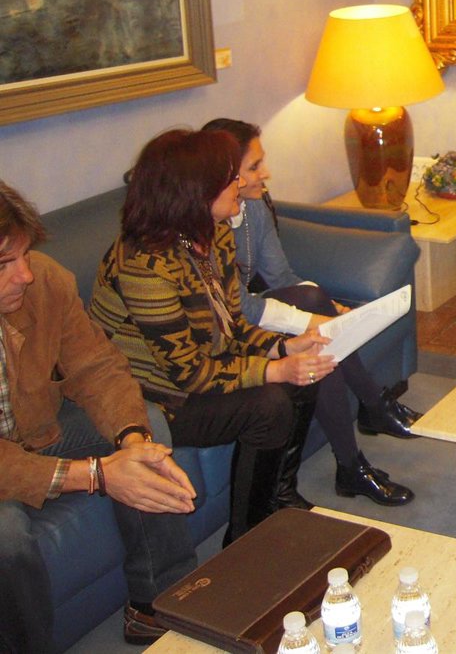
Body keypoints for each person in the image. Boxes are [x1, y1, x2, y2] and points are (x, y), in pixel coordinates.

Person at [89, 130, 410, 548]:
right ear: (196, 192)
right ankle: (245, 536)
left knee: (306, 371)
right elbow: (188, 373)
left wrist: (285, 347)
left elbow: (234, 323)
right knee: (269, 403)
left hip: (199, 371)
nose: (240, 184)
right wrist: (276, 368)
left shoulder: (213, 236)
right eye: (231, 179)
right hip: (154, 397)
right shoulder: (143, 266)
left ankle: (279, 498)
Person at [0, 180, 197, 648]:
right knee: (6, 537)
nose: (25, 275)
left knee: (148, 431)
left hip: (35, 431)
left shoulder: (46, 282)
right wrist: (98, 475)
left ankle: (159, 603)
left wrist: (132, 441)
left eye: (24, 256)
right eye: (4, 263)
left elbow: (97, 366)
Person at [201, 118, 420, 487]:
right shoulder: (205, 225)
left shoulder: (252, 206)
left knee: (316, 313)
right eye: (254, 166)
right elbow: (240, 308)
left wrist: (325, 308)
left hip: (253, 307)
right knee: (317, 337)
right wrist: (314, 322)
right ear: (223, 175)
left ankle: (356, 451)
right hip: (225, 324)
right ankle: (367, 425)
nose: (265, 173)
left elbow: (281, 277)